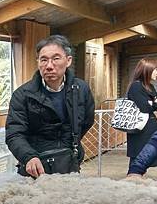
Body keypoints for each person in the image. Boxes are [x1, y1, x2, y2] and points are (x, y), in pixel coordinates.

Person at [6, 35, 95, 178]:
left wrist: (69, 143)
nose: (49, 65)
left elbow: (86, 121)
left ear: (68, 60)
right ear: (38, 62)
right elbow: (14, 134)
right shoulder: (23, 95)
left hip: (69, 162)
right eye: (44, 59)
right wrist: (29, 156)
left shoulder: (80, 89)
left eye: (56, 58)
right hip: (35, 168)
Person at [125, 58, 157, 170]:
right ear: (146, 71)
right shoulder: (136, 86)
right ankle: (133, 178)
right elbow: (144, 107)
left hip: (149, 127)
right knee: (137, 156)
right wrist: (153, 102)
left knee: (147, 155)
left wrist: (152, 103)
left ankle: (139, 177)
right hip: (139, 127)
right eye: (155, 69)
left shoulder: (150, 86)